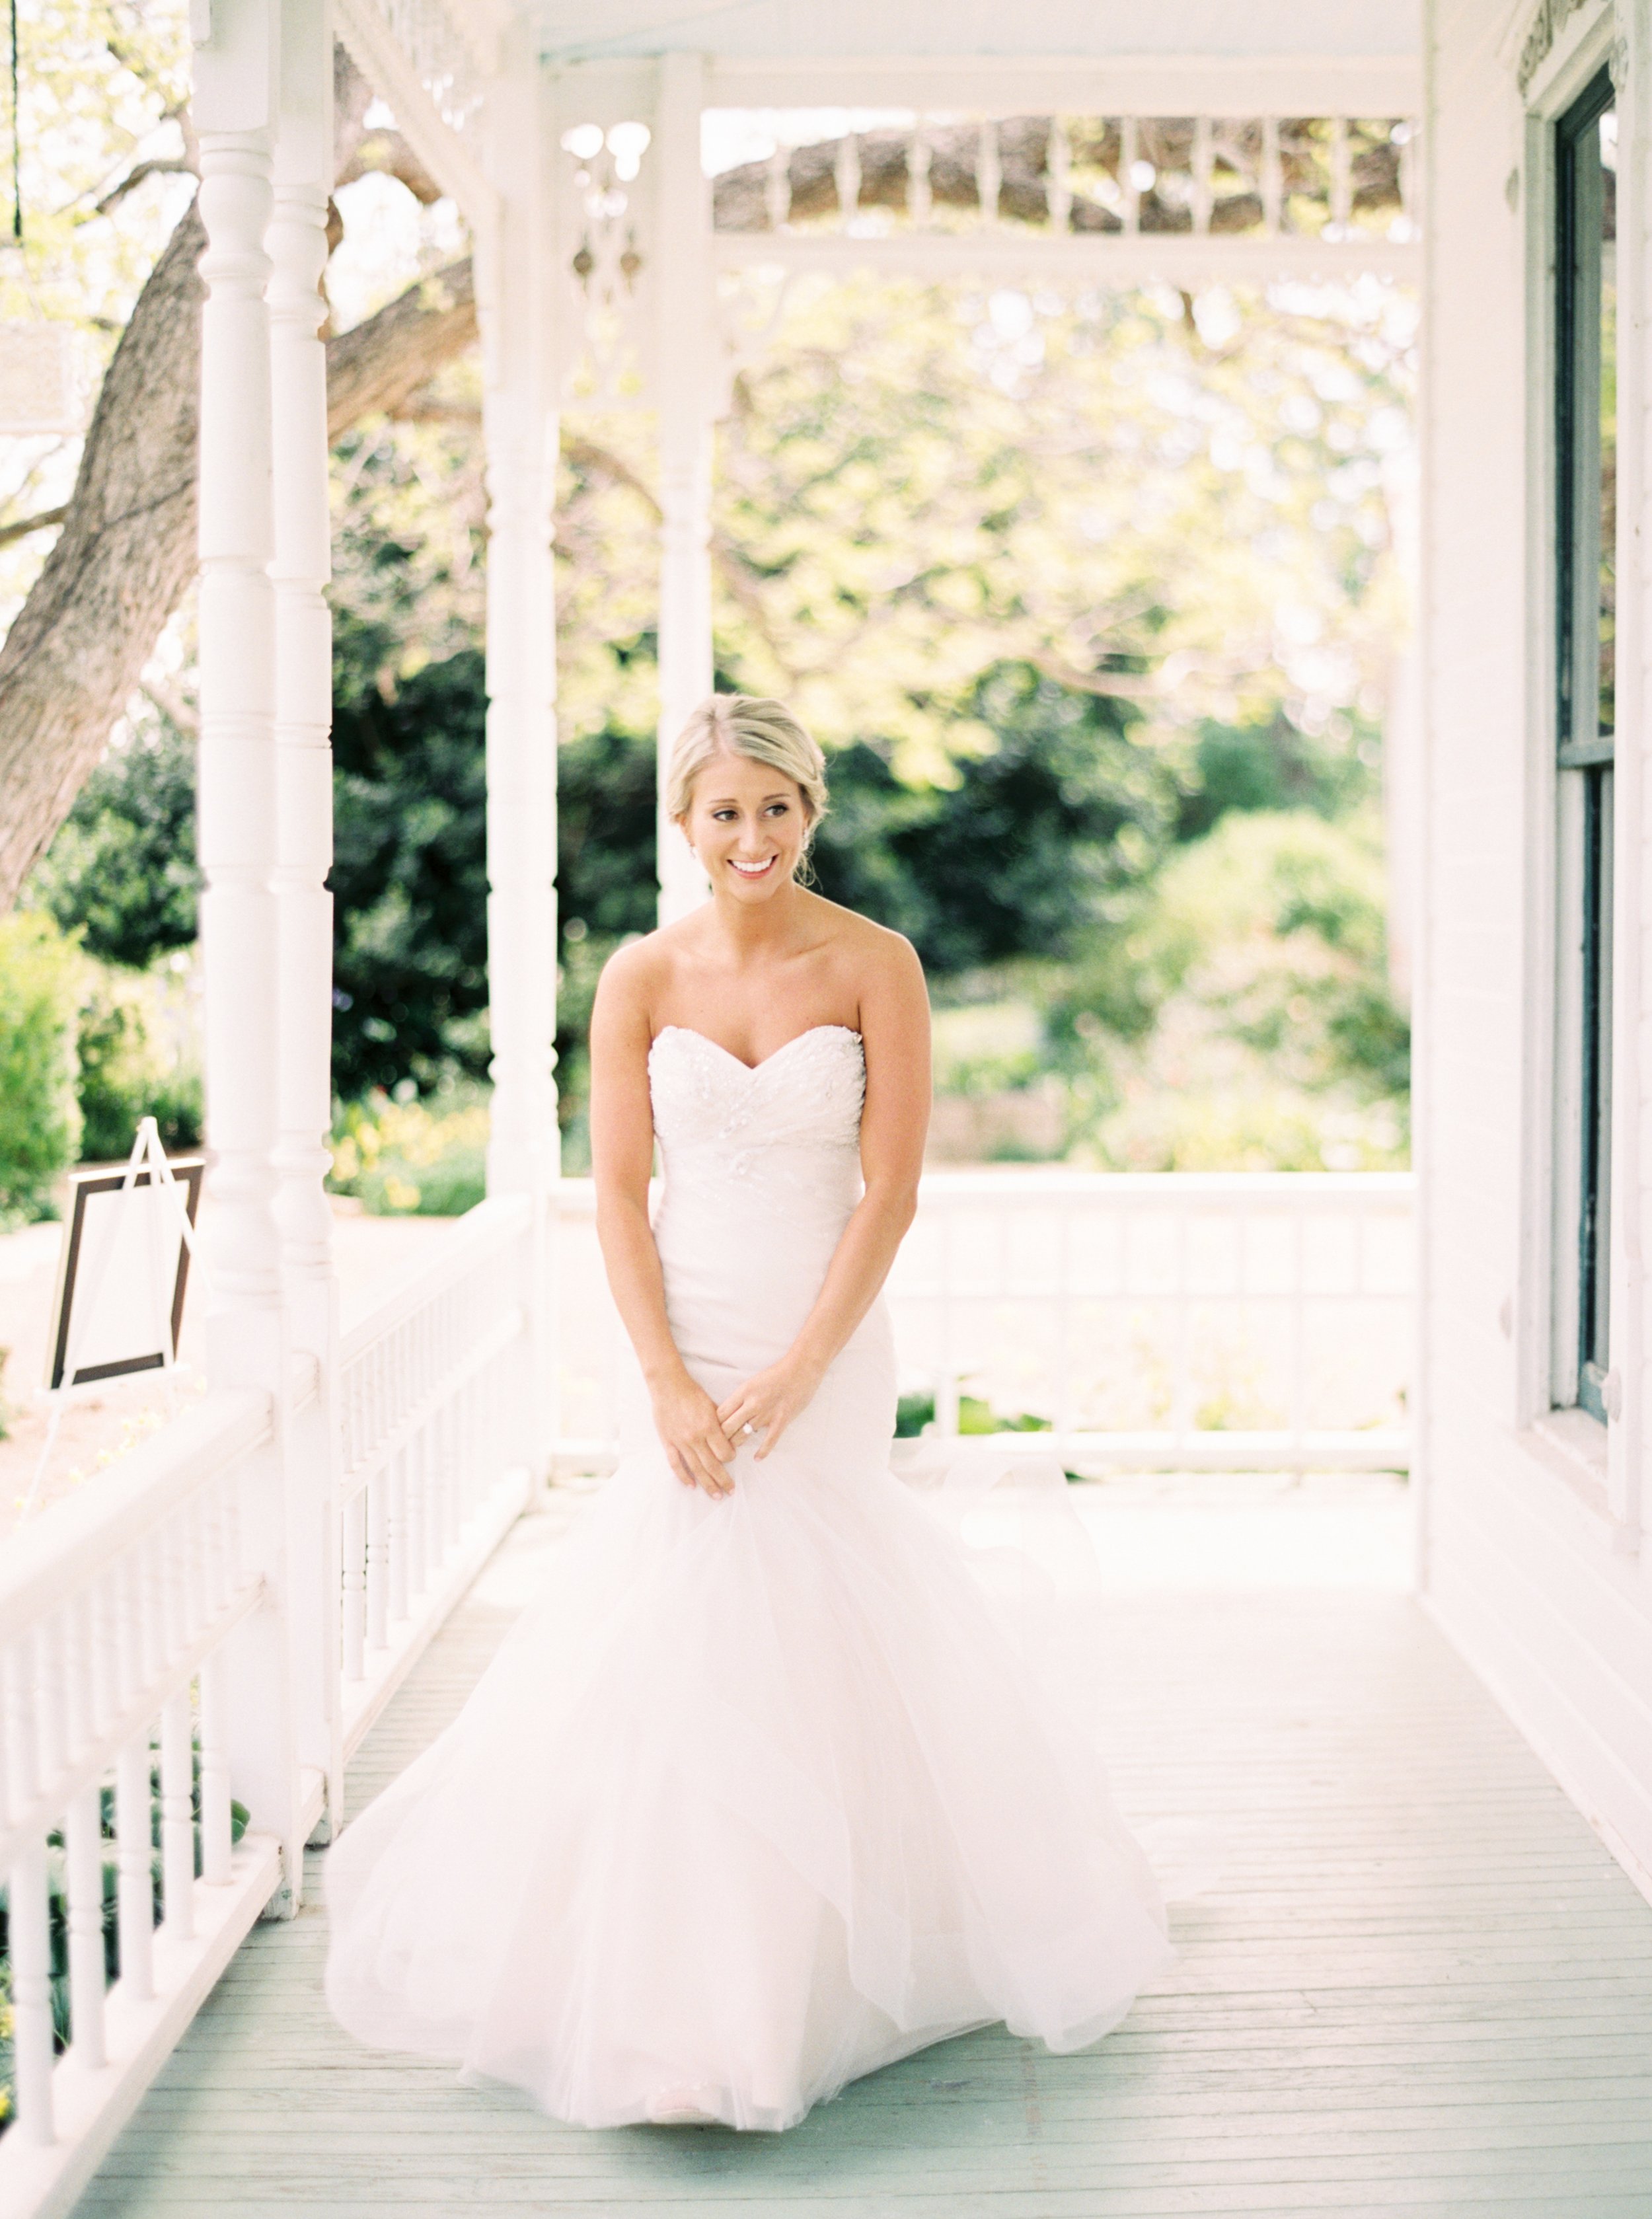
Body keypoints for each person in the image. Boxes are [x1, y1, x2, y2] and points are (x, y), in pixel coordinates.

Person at [324, 693, 1181, 2132]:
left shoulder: (875, 962)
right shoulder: (639, 977)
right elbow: (611, 1189)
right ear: (684, 821)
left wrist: (795, 1370)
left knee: (808, 1625)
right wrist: (664, 1376)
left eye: (775, 805)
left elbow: (891, 1189)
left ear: (811, 808)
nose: (751, 834)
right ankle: (683, 2007)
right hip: (681, 1335)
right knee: (677, 1629)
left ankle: (815, 1975)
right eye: (724, 810)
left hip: (823, 1340)